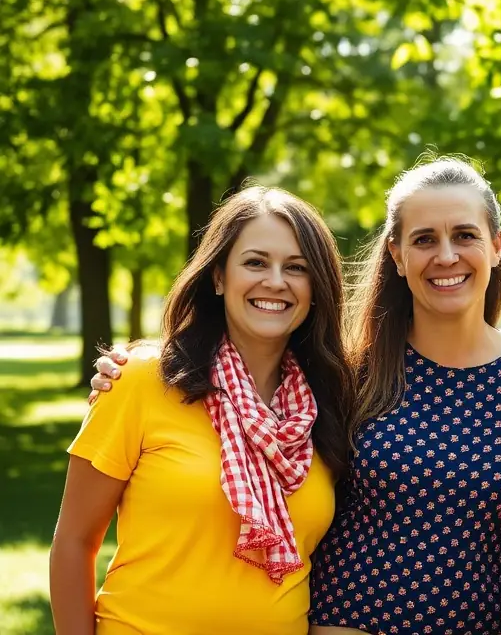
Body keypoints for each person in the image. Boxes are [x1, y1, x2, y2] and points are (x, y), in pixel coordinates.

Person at [89, 158, 501, 635]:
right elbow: (245, 359)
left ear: (497, 246)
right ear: (396, 255)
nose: (445, 255)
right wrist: (140, 360)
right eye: (423, 239)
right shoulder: (345, 374)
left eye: (465, 235)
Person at [50, 185, 356, 635]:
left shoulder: (332, 404)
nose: (276, 281)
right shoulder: (139, 381)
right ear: (218, 277)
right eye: (255, 262)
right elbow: (74, 542)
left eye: (297, 268)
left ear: (316, 289)